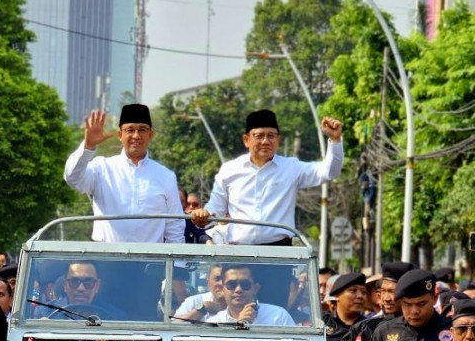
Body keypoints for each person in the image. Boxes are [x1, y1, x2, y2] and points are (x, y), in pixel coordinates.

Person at [190, 108, 343, 245]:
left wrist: (335, 140)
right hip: (239, 254)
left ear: (278, 140)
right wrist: (202, 215)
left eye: (271, 136)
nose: (265, 141)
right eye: (259, 136)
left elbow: (329, 171)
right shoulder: (229, 170)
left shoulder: (291, 167)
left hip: (279, 253)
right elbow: (215, 209)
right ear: (246, 140)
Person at [64, 104, 184, 243]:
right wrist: (88, 146)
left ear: (151, 135)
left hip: (150, 256)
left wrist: (175, 256)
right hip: (107, 254)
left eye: (142, 130)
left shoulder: (166, 176)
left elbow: (175, 227)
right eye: (130, 130)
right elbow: (72, 177)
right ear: (120, 135)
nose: (136, 136)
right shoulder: (102, 168)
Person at [323, 272, 368, 341]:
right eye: (353, 291)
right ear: (337, 295)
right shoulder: (323, 323)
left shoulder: (370, 327)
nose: (360, 296)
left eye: (363, 292)